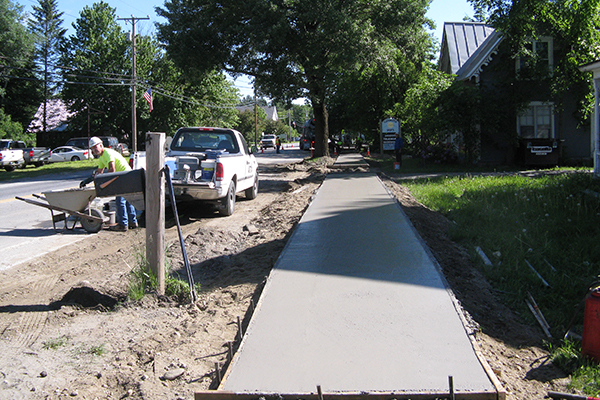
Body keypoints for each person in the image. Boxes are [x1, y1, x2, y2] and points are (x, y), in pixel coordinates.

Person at [89, 136, 138, 232]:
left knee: (120, 201)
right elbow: (99, 171)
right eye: (92, 148)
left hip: (123, 176)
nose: (94, 150)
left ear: (101, 145)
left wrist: (108, 183)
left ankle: (123, 224)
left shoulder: (107, 153)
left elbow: (112, 168)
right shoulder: (102, 157)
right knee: (128, 200)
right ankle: (132, 222)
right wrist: (91, 178)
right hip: (126, 176)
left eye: (96, 147)